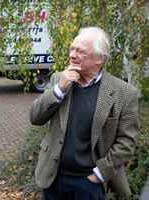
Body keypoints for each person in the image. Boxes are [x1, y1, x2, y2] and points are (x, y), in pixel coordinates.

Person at [29, 27, 139, 200]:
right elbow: (35, 118)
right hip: (52, 178)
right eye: (72, 49)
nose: (72, 55)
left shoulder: (123, 92)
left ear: (100, 58)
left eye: (80, 51)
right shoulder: (59, 79)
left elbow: (127, 141)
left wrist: (99, 174)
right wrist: (58, 90)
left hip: (89, 183)